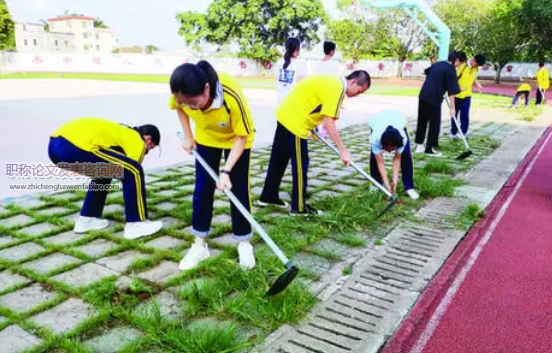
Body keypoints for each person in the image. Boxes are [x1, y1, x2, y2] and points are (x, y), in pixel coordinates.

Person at [169, 60, 256, 271]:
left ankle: (244, 242)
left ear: (207, 88)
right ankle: (199, 245)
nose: (190, 107)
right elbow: (179, 108)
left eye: (195, 104)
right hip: (207, 138)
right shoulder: (182, 92)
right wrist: (188, 136)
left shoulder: (231, 96)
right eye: (186, 103)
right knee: (202, 189)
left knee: (238, 190)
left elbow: (242, 136)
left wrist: (226, 171)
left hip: (237, 139)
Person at [258, 71, 371, 215]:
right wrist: (343, 150)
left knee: (278, 161)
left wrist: (314, 124)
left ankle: (268, 196)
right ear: (354, 82)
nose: (357, 95)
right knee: (300, 166)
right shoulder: (337, 88)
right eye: (359, 91)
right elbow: (329, 123)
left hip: (284, 115)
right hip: (296, 124)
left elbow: (318, 107)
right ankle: (298, 208)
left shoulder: (332, 80)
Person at [48, 118, 163, 239]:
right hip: (74, 146)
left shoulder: (123, 130)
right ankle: (136, 224)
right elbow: (132, 170)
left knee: (105, 171)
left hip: (54, 145)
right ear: (148, 139)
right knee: (134, 171)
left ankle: (87, 219)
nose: (147, 151)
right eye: (150, 147)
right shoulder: (137, 140)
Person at [415, 51, 462, 157]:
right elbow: (452, 91)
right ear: (457, 60)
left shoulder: (439, 63)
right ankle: (429, 149)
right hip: (434, 98)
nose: (459, 65)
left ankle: (419, 145)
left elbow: (426, 71)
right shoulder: (451, 70)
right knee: (434, 124)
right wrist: (453, 108)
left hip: (423, 94)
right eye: (460, 63)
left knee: (422, 121)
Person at [369, 110, 419, 200]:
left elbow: (397, 159)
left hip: (398, 120)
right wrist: (387, 183)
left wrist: (394, 182)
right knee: (375, 157)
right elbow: (380, 162)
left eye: (393, 149)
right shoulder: (375, 138)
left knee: (406, 155)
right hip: (377, 121)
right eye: (388, 149)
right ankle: (376, 184)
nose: (389, 152)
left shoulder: (402, 139)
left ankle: (409, 187)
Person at [451, 54, 486, 139]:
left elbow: (474, 77)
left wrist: (478, 85)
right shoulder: (462, 65)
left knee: (465, 114)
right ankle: (453, 132)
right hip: (457, 94)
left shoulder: (476, 68)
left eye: (477, 65)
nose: (476, 66)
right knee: (454, 114)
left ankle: (463, 132)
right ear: (473, 60)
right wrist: (458, 87)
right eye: (476, 64)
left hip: (467, 95)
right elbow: (454, 78)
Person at [313, 41, 343, 139]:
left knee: (321, 112)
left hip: (319, 92)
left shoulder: (317, 64)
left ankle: (320, 128)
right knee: (330, 114)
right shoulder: (335, 64)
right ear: (331, 51)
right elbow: (339, 79)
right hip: (329, 93)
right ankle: (324, 131)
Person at [276, 37, 309, 103]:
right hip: (293, 100)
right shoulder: (300, 63)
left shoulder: (279, 61)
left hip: (280, 98)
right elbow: (306, 81)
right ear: (297, 48)